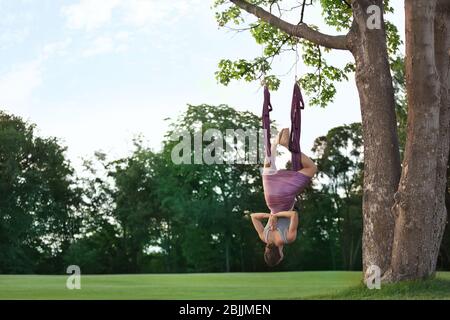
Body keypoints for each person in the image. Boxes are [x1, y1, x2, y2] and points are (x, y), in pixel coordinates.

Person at [251, 128, 317, 267]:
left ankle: (285, 145)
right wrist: (270, 215)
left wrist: (275, 216)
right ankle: (274, 144)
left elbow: (293, 214)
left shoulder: (288, 238)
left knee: (311, 169)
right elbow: (253, 216)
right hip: (270, 199)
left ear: (280, 255)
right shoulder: (264, 237)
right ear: (266, 251)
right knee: (268, 166)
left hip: (284, 199)